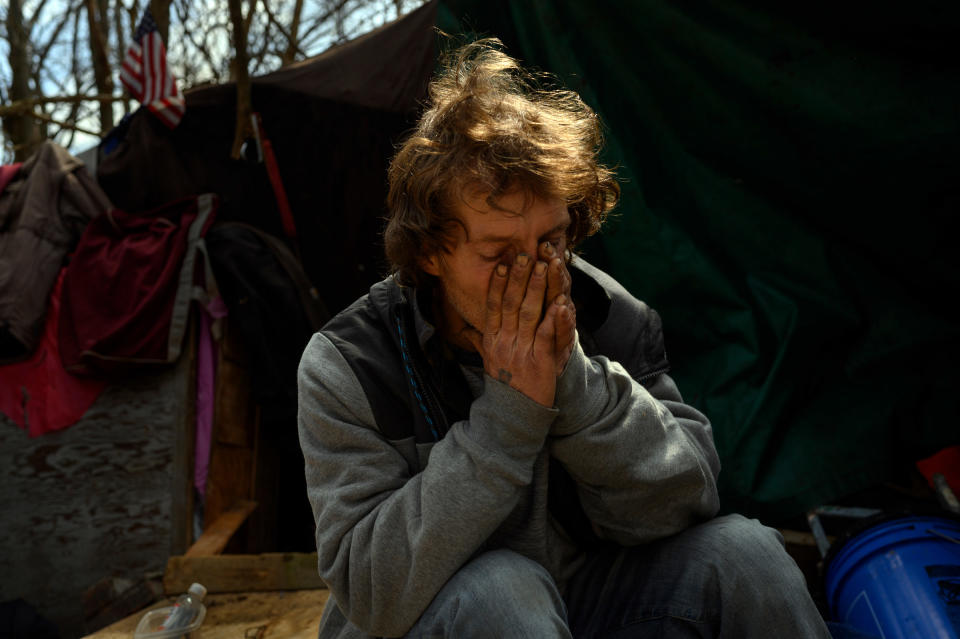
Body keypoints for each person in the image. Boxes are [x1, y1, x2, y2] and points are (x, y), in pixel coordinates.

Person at [297, 38, 832, 639]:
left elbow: (687, 500)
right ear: (429, 254)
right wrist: (506, 422)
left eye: (551, 242)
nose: (536, 273)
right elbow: (373, 592)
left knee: (745, 554)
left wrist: (573, 386)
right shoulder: (351, 364)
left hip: (579, 604)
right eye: (499, 254)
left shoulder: (610, 318)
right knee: (503, 589)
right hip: (430, 623)